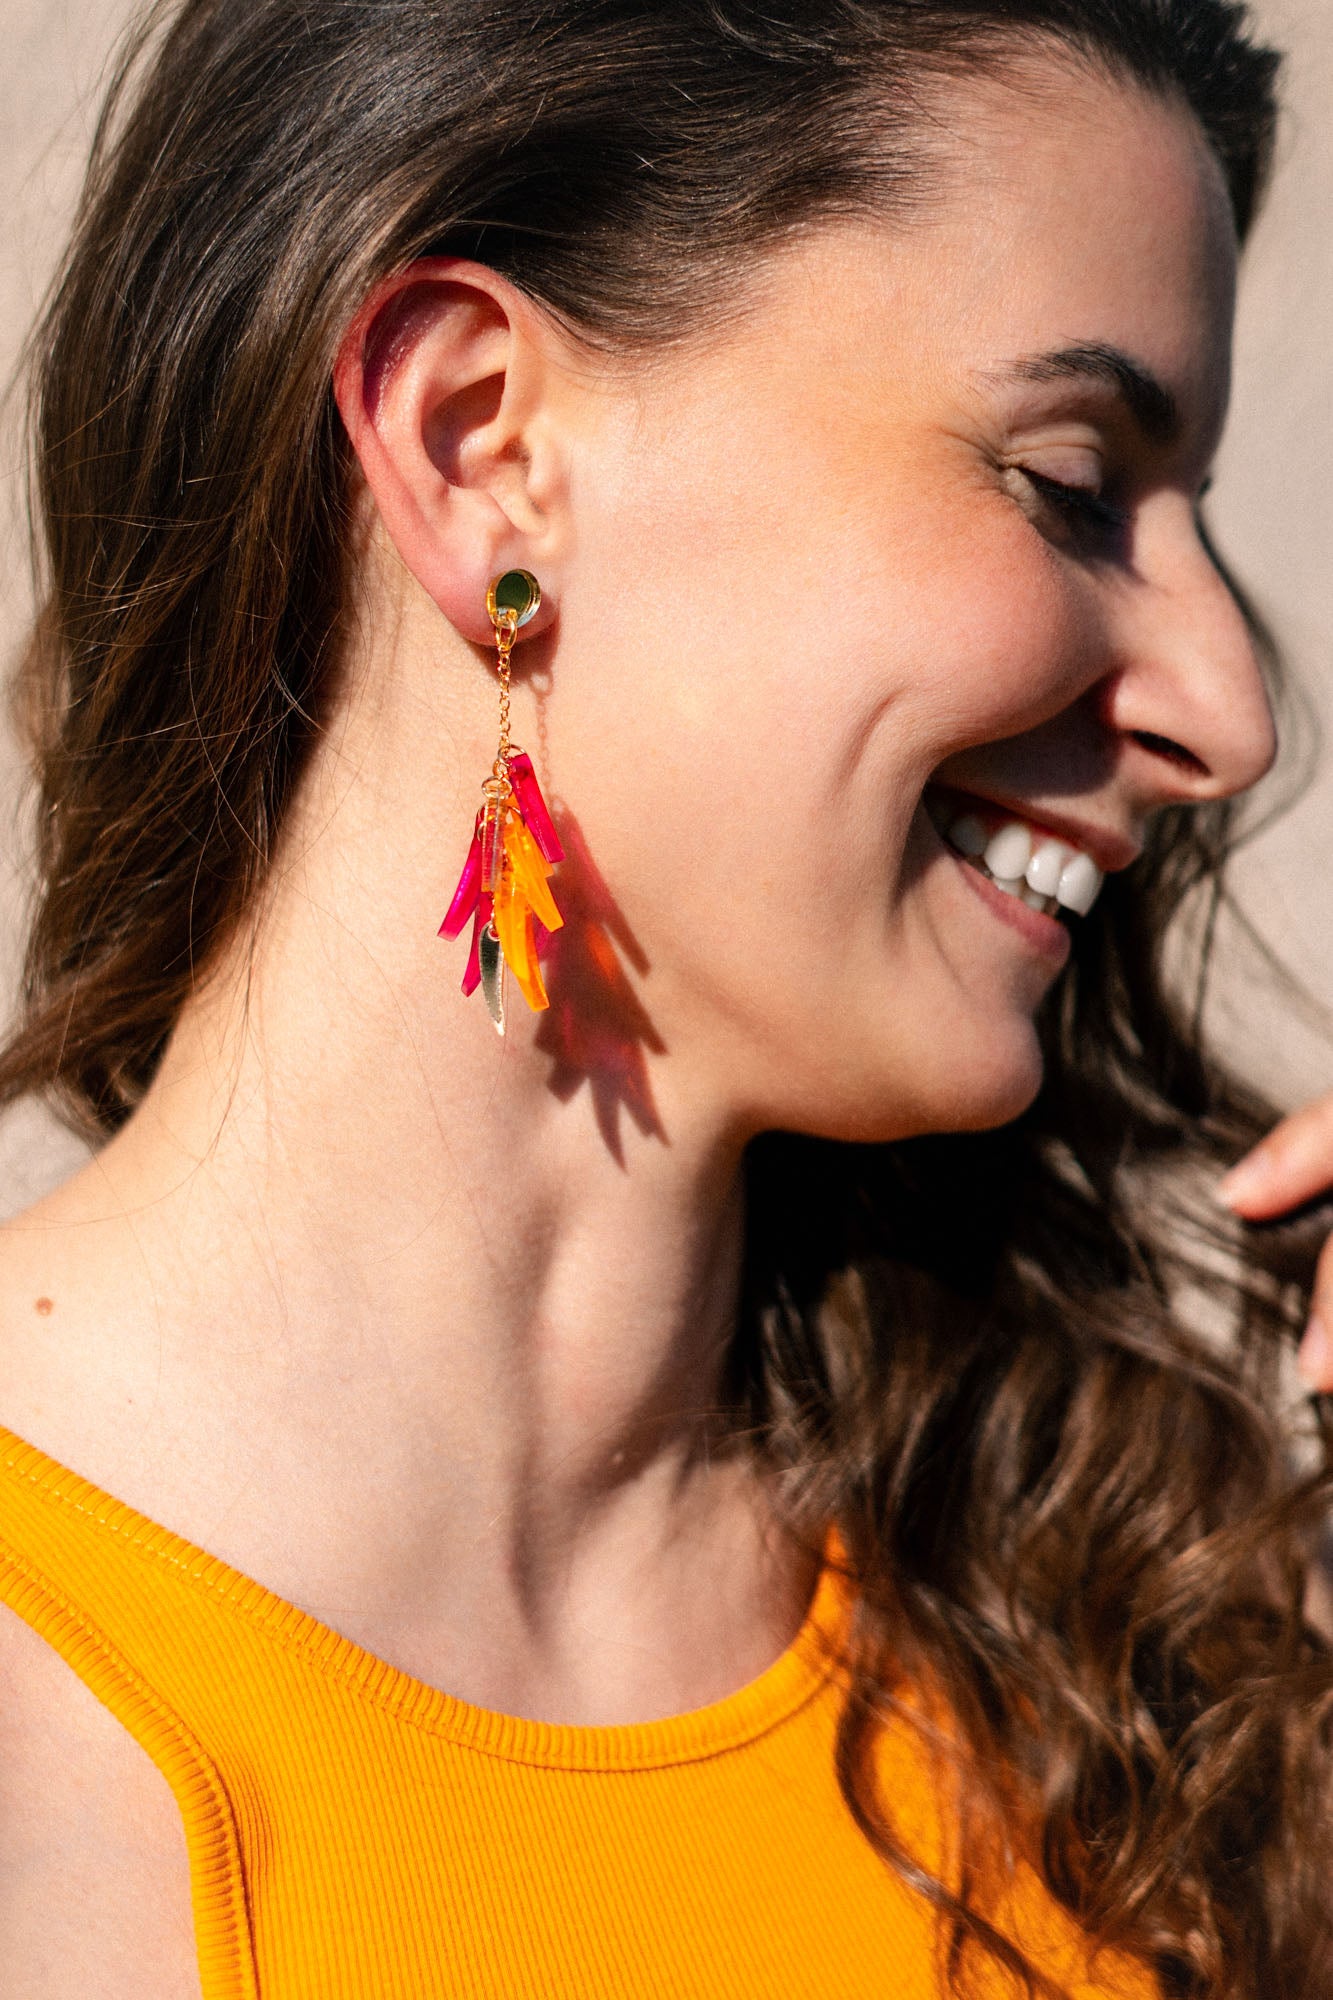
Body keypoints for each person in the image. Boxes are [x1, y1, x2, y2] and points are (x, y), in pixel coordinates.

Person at [0, 0, 1327, 1993]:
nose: (1223, 709)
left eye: (1189, 520)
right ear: (481, 443)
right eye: (1068, 480)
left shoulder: (1139, 1692)